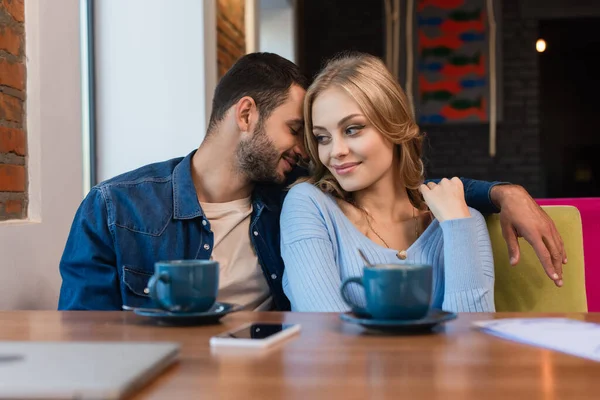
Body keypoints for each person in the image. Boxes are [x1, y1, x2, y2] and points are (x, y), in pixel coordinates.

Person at [58, 52, 565, 311]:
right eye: (305, 133)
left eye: (346, 130)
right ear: (247, 114)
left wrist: (500, 192)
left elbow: (406, 187)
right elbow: (85, 341)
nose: (318, 152)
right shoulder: (116, 209)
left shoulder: (283, 196)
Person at [281, 53, 503, 312]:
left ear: (392, 125)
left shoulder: (464, 221)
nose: (335, 151)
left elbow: (473, 341)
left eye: (352, 129)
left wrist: (457, 227)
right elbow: (324, 332)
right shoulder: (310, 206)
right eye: (322, 137)